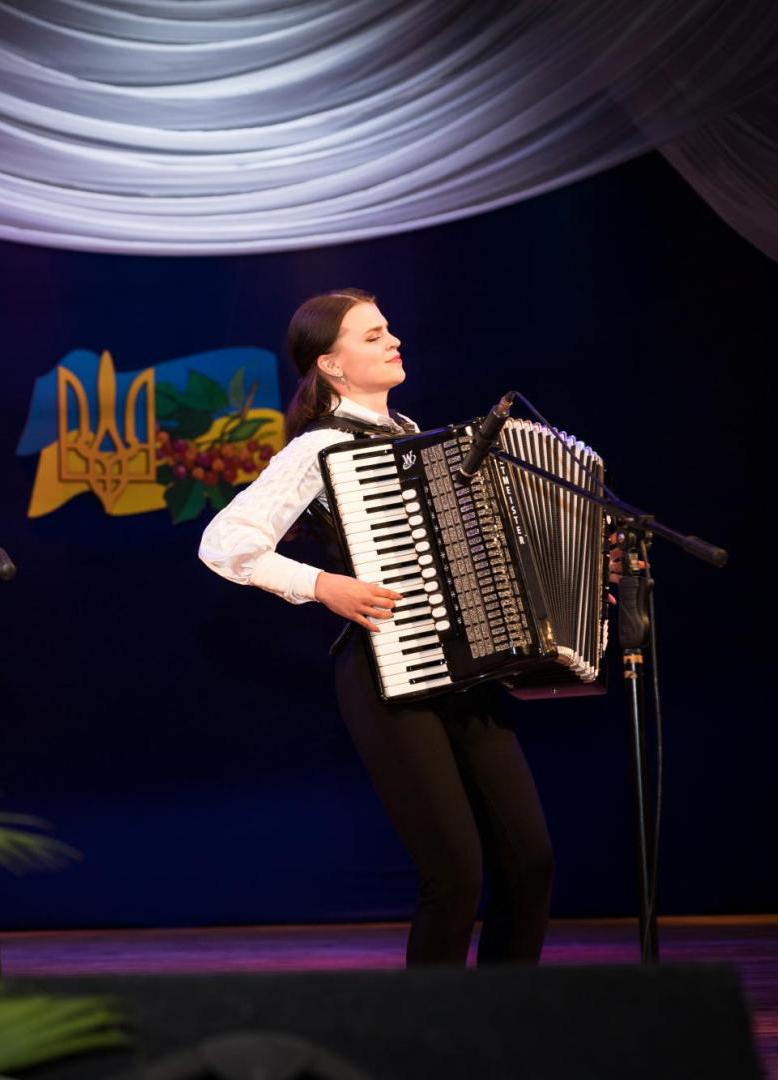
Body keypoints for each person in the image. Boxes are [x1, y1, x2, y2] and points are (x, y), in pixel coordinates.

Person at [198, 288, 553, 966]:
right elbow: (223, 540)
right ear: (331, 365)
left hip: (463, 667)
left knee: (529, 860)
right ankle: (425, 1028)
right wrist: (322, 584)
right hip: (386, 673)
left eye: (389, 329)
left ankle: (508, 1018)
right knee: (454, 876)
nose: (394, 341)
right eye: (372, 335)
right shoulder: (321, 447)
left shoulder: (411, 432)